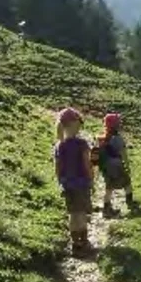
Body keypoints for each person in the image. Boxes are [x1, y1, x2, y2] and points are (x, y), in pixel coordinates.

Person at [53, 107, 94, 255]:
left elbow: (57, 167)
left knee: (72, 214)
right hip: (81, 183)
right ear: (74, 124)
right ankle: (83, 243)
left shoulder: (59, 145)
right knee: (81, 213)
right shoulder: (82, 144)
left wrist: (60, 181)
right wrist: (91, 178)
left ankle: (75, 243)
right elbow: (86, 164)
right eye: (79, 123)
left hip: (67, 184)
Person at [98, 112, 137, 217]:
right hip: (117, 165)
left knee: (109, 188)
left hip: (106, 167)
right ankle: (130, 203)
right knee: (127, 182)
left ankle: (106, 208)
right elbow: (123, 153)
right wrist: (127, 166)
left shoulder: (102, 138)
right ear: (116, 125)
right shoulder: (117, 138)